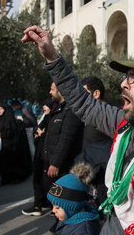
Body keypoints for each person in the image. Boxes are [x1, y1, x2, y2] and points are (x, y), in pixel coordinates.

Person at [22, 26, 134, 235]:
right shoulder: (125, 125)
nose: (123, 85)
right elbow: (86, 104)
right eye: (125, 77)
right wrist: (53, 58)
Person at [22, 82, 83, 233]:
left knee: (64, 202)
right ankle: (60, 225)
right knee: (55, 201)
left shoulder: (70, 111)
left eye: (52, 89)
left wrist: (55, 163)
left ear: (61, 91)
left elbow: (65, 140)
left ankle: (68, 227)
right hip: (49, 163)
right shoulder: (56, 110)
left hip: (62, 167)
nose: (50, 92)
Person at [75, 76, 113, 222]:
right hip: (89, 174)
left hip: (103, 178)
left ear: (95, 94)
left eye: (84, 92)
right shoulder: (89, 115)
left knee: (106, 217)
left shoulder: (109, 116)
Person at [47, 163, 100, 235]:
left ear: (72, 207)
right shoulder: (68, 217)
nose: (53, 210)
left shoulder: (84, 231)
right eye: (53, 205)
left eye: (57, 207)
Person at [22, 98, 53, 216]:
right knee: (38, 180)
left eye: (46, 105)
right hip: (40, 155)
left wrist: (42, 134)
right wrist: (38, 134)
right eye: (43, 105)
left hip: (47, 156)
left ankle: (52, 207)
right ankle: (38, 205)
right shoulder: (45, 117)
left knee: (48, 182)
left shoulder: (53, 118)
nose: (44, 107)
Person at [0, 103, 32, 186]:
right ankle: (5, 179)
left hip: (10, 146)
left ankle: (15, 178)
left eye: (1, 109)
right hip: (1, 146)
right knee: (2, 164)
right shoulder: (0, 120)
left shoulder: (10, 120)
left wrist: (2, 135)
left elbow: (11, 132)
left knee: (12, 163)